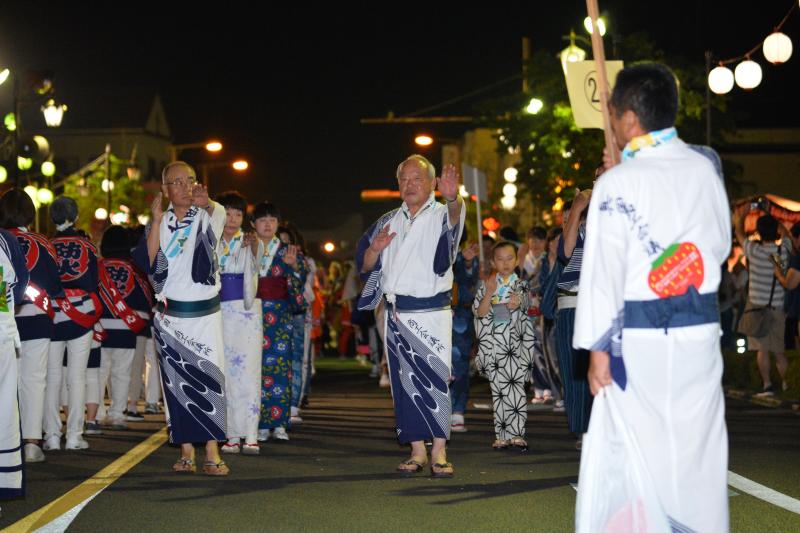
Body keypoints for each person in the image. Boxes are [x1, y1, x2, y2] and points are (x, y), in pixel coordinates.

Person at [574, 62, 730, 532]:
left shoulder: (616, 184)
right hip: (700, 331)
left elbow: (603, 269)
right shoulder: (704, 169)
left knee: (640, 445)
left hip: (640, 338)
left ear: (626, 120)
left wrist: (598, 349)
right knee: (698, 445)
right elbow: (719, 245)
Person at [356, 154, 465, 478]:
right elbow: (364, 265)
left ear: (433, 183)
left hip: (431, 311)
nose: (409, 184)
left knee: (436, 380)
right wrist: (374, 250)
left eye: (417, 178)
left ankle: (440, 450)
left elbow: (456, 225)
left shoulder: (443, 212)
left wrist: (454, 198)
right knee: (403, 386)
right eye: (404, 179)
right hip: (396, 314)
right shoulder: (388, 220)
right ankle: (417, 449)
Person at [133, 161, 230, 475]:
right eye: (177, 182)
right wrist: (157, 221)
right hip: (169, 316)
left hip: (204, 315)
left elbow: (221, 215)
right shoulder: (156, 224)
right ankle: (186, 449)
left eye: (190, 180)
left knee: (210, 378)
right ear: (165, 190)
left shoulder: (206, 215)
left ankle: (213, 449)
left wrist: (209, 202)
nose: (186, 187)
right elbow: (147, 262)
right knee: (175, 384)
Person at [0, 189, 64, 463]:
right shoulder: (41, 242)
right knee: (34, 380)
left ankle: (7, 443)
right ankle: (31, 443)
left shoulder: (3, 240)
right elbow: (54, 284)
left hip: (6, 316)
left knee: (6, 382)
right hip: (37, 316)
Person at [47, 196, 101, 451]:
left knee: (52, 376)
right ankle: (74, 436)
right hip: (81, 312)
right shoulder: (87, 245)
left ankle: (51, 436)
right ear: (75, 216)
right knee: (77, 377)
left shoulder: (46, 245)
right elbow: (93, 282)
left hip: (54, 314)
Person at [250, 202, 306, 443]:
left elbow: (300, 277)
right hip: (251, 312)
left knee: (281, 368)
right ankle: (260, 423)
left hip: (279, 315)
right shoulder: (246, 246)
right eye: (263, 220)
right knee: (255, 368)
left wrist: (295, 266)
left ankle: (279, 422)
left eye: (272, 220)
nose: (268, 224)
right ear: (253, 224)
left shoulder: (286, 250)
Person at [473, 241, 534, 450]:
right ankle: (501, 434)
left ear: (516, 260)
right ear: (493, 262)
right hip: (494, 347)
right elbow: (479, 313)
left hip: (515, 347)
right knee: (498, 393)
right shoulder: (486, 285)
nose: (505, 263)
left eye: (510, 258)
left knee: (516, 390)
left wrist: (518, 301)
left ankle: (517, 434)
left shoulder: (521, 284)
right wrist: (490, 293)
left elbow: (525, 303)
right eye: (500, 259)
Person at [214, 191, 262, 455]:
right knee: (226, 374)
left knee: (250, 371)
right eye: (228, 213)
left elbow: (258, 264)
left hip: (246, 314)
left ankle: (252, 434)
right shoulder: (211, 240)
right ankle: (231, 434)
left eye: (238, 214)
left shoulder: (248, 239)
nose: (233, 219)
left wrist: (253, 247)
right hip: (218, 311)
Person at [97, 225, 152, 429]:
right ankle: (117, 414)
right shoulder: (133, 270)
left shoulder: (99, 267)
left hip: (101, 328)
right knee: (122, 373)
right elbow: (144, 300)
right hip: (126, 328)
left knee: (100, 373)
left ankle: (98, 412)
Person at [734, 211, 792, 395]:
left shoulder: (755, 251)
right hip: (777, 307)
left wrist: (743, 214)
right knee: (779, 351)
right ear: (775, 230)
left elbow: (739, 233)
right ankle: (787, 385)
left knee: (762, 350)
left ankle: (767, 386)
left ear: (759, 232)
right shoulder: (783, 250)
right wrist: (773, 218)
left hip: (756, 308)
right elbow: (786, 235)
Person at [556, 191, 593, 449]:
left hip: (597, 306)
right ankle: (582, 429)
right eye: (565, 219)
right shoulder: (566, 239)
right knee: (574, 372)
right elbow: (566, 253)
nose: (570, 222)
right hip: (571, 307)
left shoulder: (596, 231)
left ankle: (599, 426)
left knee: (598, 370)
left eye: (575, 218)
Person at [0, 227, 29, 503]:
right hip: (1, 330)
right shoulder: (4, 239)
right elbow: (19, 286)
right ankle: (4, 481)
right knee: (5, 408)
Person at [449, 236, 479, 433]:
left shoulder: (459, 257)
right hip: (428, 314)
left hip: (459, 317)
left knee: (459, 363)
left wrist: (467, 261)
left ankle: (458, 410)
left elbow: (468, 278)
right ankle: (436, 411)